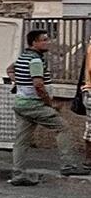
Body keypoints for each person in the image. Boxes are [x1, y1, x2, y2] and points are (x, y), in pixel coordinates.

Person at [9, 28, 90, 184]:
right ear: (34, 42)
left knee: (22, 140)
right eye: (44, 40)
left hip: (21, 103)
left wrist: (19, 82)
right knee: (63, 128)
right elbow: (39, 85)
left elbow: (10, 70)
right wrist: (49, 103)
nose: (48, 43)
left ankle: (18, 173)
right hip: (34, 104)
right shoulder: (35, 60)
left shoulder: (22, 57)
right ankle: (68, 165)